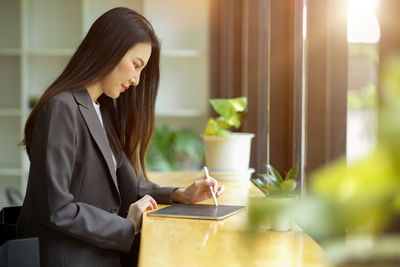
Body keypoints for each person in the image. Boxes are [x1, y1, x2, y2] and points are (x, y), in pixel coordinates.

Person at [16, 7, 224, 267]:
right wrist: (126, 226)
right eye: (136, 65)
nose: (136, 80)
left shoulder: (101, 109)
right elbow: (56, 208)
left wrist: (182, 194)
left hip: (98, 253)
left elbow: (124, 183)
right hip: (71, 258)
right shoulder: (62, 108)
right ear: (109, 49)